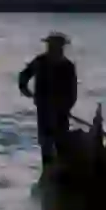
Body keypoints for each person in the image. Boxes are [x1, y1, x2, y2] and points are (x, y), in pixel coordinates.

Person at [19, 32, 78, 167]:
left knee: (61, 140)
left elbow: (73, 91)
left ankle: (60, 168)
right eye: (51, 46)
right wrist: (25, 89)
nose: (53, 49)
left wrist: (67, 107)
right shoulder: (40, 62)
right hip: (44, 108)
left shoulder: (67, 66)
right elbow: (24, 75)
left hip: (61, 110)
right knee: (46, 141)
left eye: (56, 46)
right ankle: (48, 169)